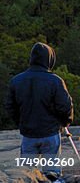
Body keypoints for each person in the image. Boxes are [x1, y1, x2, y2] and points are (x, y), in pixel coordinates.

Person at [3, 42, 75, 182]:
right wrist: (65, 122)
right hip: (50, 134)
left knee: (26, 174)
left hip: (28, 135)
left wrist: (22, 122)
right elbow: (65, 106)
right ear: (49, 59)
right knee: (52, 174)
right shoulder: (55, 81)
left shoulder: (16, 81)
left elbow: (10, 107)